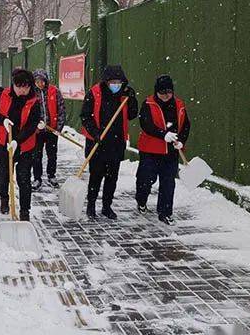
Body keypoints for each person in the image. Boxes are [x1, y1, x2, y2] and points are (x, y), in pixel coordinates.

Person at [81, 65, 138, 220]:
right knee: (96, 176)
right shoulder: (94, 93)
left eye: (118, 81)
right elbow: (85, 116)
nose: (116, 84)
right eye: (112, 81)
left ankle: (107, 206)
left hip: (116, 142)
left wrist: (132, 99)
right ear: (106, 81)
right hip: (97, 143)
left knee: (112, 177)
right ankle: (91, 204)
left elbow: (132, 114)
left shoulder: (125, 95)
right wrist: (95, 133)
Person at [135, 74, 191, 226]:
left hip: (171, 153)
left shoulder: (179, 105)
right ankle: (141, 199)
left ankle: (165, 212)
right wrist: (163, 134)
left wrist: (181, 141)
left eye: (169, 93)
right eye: (162, 93)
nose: (166, 96)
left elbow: (186, 125)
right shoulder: (148, 103)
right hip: (150, 151)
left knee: (168, 183)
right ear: (156, 92)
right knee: (145, 179)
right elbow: (146, 124)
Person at [0, 68, 41, 221]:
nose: (22, 90)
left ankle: (25, 211)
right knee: (4, 174)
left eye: (25, 87)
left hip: (25, 145)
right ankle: (4, 200)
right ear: (13, 85)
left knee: (24, 178)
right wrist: (2, 120)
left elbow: (32, 125)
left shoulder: (34, 101)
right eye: (18, 86)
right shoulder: (3, 96)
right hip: (3, 143)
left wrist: (17, 141)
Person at [31, 69, 66, 190]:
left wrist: (59, 128)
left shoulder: (54, 91)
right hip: (37, 131)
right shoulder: (31, 93)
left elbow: (61, 110)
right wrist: (34, 124)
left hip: (52, 129)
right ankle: (37, 178)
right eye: (37, 81)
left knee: (52, 154)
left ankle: (51, 175)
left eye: (42, 81)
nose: (40, 84)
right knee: (36, 155)